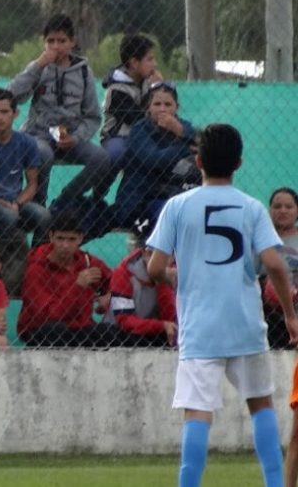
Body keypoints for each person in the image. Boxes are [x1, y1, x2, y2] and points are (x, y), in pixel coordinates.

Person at [145, 124, 298, 487]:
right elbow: (276, 263)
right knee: (260, 405)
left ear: (197, 161)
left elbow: (153, 266)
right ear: (240, 163)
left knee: (197, 414)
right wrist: (290, 315)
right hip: (245, 324)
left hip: (200, 328)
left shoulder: (178, 206)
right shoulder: (251, 207)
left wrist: (171, 276)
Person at [7, 13, 110, 205]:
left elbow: (92, 116)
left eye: (62, 41)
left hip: (69, 137)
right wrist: (38, 65)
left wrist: (76, 137)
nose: (56, 46)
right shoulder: (38, 68)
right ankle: (38, 206)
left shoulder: (83, 71)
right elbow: (12, 96)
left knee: (101, 159)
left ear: (72, 42)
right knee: (43, 155)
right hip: (38, 135)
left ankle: (64, 201)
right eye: (50, 41)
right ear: (44, 43)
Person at [0, 88, 50, 294]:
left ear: (15, 114)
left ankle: (35, 267)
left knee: (43, 216)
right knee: (8, 217)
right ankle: (1, 270)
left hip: (16, 201)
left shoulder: (26, 142)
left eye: (5, 112)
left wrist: (18, 202)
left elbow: (32, 183)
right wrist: (3, 205)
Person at [17, 212, 119, 347]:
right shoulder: (36, 269)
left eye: (71, 239)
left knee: (112, 333)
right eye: (60, 238)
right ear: (51, 237)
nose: (65, 245)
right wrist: (78, 286)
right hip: (42, 330)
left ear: (80, 238)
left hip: (80, 329)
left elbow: (121, 283)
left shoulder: (87, 262)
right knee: (56, 330)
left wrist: (110, 296)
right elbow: (49, 317)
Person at [109, 81, 197, 231]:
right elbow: (155, 160)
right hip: (139, 203)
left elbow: (203, 144)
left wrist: (180, 131)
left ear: (177, 107)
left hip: (172, 195)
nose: (162, 109)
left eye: (168, 104)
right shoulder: (139, 130)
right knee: (166, 218)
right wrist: (185, 145)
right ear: (148, 108)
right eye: (157, 104)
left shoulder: (184, 127)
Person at [99, 33, 163, 198]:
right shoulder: (116, 89)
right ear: (134, 63)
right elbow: (136, 119)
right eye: (149, 59)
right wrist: (155, 88)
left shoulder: (147, 82)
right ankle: (98, 192)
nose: (154, 64)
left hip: (145, 136)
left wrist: (157, 88)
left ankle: (141, 198)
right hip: (118, 137)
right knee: (119, 153)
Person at [109, 227, 178, 347]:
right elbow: (124, 320)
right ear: (144, 253)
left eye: (167, 255)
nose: (161, 260)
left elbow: (172, 322)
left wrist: (162, 283)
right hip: (125, 333)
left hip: (162, 332)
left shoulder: (178, 271)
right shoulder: (124, 272)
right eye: (153, 254)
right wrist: (160, 326)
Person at [260, 187, 298, 348]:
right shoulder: (260, 239)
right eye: (277, 206)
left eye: (288, 207)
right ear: (269, 210)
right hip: (265, 312)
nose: (282, 211)